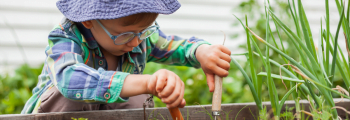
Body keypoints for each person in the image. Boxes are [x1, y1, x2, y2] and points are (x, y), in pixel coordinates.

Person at [21, 0, 231, 114]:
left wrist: (200, 51)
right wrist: (146, 81)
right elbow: (69, 78)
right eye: (126, 35)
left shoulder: (138, 38)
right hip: (57, 114)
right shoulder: (67, 38)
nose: (136, 42)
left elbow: (171, 46)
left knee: (137, 96)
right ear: (88, 21)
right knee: (66, 93)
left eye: (144, 31)